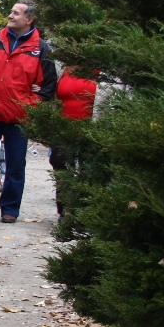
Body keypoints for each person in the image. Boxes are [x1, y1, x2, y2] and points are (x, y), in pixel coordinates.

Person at [0, 0, 57, 223]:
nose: (11, 16)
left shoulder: (41, 49)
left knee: (16, 163)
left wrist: (29, 106)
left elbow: (48, 87)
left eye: (17, 13)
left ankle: (10, 209)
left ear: (29, 19)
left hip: (20, 117)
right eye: (11, 12)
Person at [50, 67, 97, 220]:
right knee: (60, 163)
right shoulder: (63, 66)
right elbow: (50, 91)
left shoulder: (104, 69)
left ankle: (87, 211)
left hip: (92, 128)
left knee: (89, 169)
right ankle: (65, 211)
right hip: (63, 126)